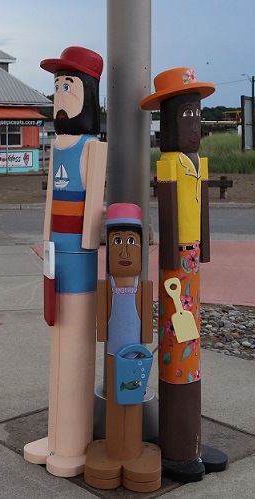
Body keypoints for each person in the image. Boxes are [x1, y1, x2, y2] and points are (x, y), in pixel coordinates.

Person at [23, 46, 107, 478]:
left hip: (79, 257)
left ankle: (73, 441)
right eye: (56, 86)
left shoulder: (94, 147)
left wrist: (86, 246)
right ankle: (55, 437)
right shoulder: (58, 146)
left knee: (73, 337)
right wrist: (45, 243)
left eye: (68, 85)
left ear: (89, 92)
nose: (59, 95)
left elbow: (94, 206)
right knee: (57, 334)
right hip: (56, 253)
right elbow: (50, 200)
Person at [140, 67, 227, 482]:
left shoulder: (198, 163)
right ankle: (177, 446)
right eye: (186, 115)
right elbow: (171, 211)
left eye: (197, 115)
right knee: (180, 340)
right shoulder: (170, 163)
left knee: (191, 341)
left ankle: (189, 443)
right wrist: (176, 260)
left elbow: (202, 211)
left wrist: (202, 251)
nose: (194, 124)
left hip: (192, 263)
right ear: (169, 120)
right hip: (178, 267)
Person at [84, 203, 160, 492]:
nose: (125, 251)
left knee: (132, 400)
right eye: (117, 241)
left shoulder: (144, 287)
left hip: (136, 355)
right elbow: (101, 330)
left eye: (132, 241)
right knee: (117, 401)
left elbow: (147, 333)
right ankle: (116, 450)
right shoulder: (106, 287)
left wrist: (140, 345)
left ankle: (133, 450)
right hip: (115, 356)